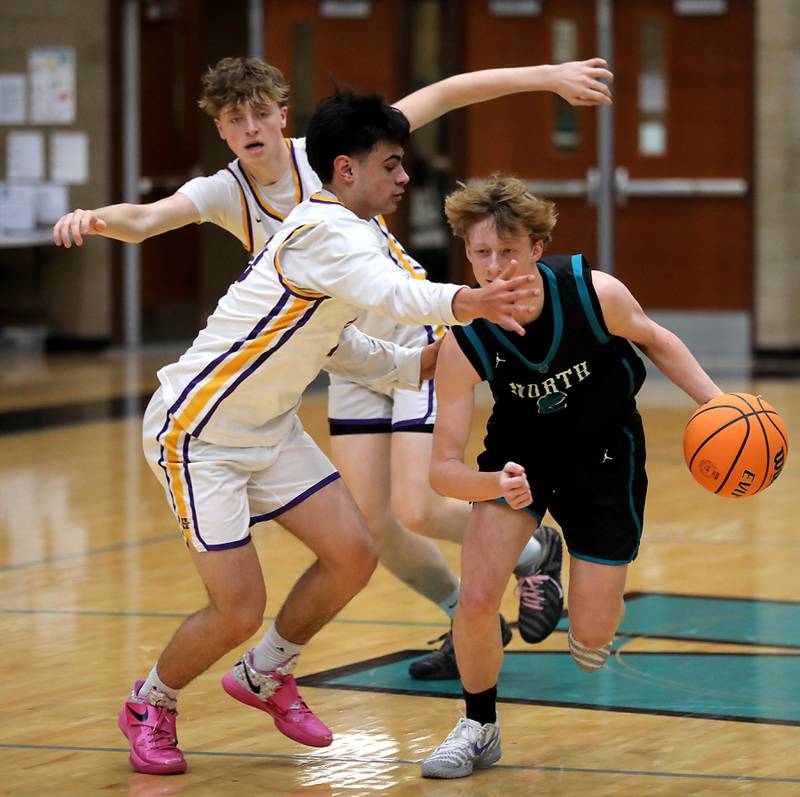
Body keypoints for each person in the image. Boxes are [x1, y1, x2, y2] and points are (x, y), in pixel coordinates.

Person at [53, 57, 612, 679]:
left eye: (261, 111)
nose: (251, 126)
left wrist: (548, 78)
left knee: (418, 506)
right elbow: (150, 218)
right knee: (370, 531)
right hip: (340, 353)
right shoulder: (225, 192)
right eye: (235, 118)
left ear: (283, 114)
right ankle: (461, 616)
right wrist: (98, 220)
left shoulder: (339, 150)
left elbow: (446, 92)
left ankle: (533, 551)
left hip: (411, 331)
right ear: (221, 129)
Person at [115, 91, 543, 776]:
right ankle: (150, 702)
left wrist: (412, 362)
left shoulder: (353, 228)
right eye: (393, 165)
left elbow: (333, 344)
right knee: (239, 607)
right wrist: (466, 303)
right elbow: (396, 295)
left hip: (269, 428)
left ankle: (265, 673)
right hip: (198, 432)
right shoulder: (330, 233)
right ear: (347, 169)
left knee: (353, 553)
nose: (406, 178)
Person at [420, 175, 723, 779]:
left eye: (509, 250)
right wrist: (494, 486)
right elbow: (443, 471)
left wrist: (718, 405)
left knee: (589, 643)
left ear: (537, 247)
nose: (495, 266)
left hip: (606, 455)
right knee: (477, 597)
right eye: (482, 253)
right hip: (521, 462)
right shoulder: (464, 340)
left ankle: (576, 596)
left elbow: (657, 340)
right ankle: (478, 724)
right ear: (468, 255)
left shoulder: (594, 293)